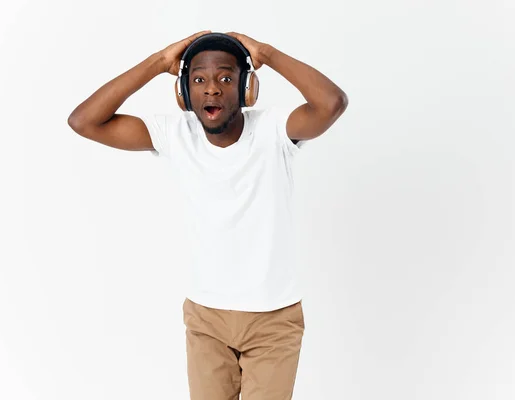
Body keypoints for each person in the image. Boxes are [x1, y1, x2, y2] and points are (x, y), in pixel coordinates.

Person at [67, 30, 348, 400]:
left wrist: (266, 53)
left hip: (273, 320)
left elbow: (331, 103)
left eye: (226, 78)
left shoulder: (275, 131)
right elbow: (84, 121)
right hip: (206, 321)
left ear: (248, 88)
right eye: (198, 79)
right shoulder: (175, 133)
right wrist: (158, 63)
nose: (211, 89)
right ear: (183, 93)